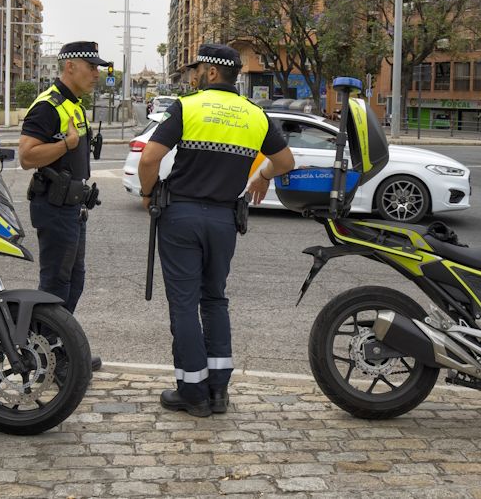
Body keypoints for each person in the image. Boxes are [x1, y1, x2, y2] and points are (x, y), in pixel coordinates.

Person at [137, 44, 295, 417]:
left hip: (181, 217)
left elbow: (149, 157)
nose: (192, 75)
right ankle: (219, 392)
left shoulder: (188, 106)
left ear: (210, 72)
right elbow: (285, 161)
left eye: (197, 70)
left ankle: (193, 393)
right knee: (215, 300)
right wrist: (261, 176)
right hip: (224, 220)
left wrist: (147, 194)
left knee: (184, 305)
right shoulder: (254, 114)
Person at [18, 41, 111, 372]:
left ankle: (58, 348)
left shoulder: (74, 105)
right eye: (92, 67)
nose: (96, 74)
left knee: (74, 281)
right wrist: (66, 144)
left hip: (72, 206)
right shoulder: (48, 105)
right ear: (70, 66)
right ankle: (43, 357)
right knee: (56, 283)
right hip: (54, 207)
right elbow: (27, 155)